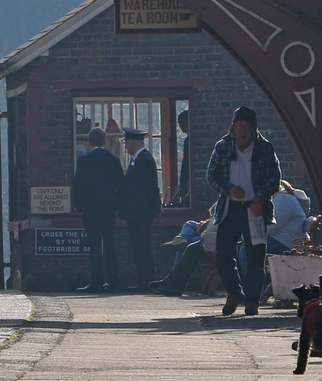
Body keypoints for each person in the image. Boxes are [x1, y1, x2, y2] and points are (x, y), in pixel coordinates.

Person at [205, 106, 282, 316]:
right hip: (230, 208)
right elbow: (212, 175)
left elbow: (274, 179)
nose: (243, 132)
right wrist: (228, 188)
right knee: (223, 255)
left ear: (254, 129)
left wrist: (260, 198)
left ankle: (252, 302)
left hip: (255, 210)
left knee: (255, 258)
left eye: (247, 127)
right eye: (239, 127)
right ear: (233, 128)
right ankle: (233, 292)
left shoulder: (264, 148)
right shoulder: (223, 147)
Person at [73, 126, 123, 292]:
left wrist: (79, 206)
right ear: (104, 141)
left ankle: (96, 282)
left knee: (94, 245)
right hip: (108, 209)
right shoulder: (113, 160)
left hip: (91, 209)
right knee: (110, 243)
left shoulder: (85, 161)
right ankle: (113, 281)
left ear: (89, 141)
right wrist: (116, 205)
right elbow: (120, 185)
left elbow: (78, 185)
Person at [119, 127, 161, 290]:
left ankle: (146, 281)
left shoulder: (144, 159)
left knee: (142, 246)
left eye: (126, 143)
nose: (125, 146)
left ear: (132, 142)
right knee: (139, 246)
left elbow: (149, 187)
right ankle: (143, 280)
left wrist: (155, 207)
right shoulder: (137, 159)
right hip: (136, 212)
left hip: (141, 212)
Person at [151, 201, 218, 297]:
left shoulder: (234, 202)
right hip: (210, 230)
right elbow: (214, 218)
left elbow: (223, 222)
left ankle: (172, 282)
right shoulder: (223, 201)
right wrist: (205, 223)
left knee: (190, 246)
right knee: (190, 224)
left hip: (216, 236)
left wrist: (207, 225)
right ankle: (182, 240)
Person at [267, 179, 312, 255]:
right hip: (285, 241)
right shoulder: (285, 198)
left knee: (250, 246)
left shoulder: (284, 199)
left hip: (287, 244)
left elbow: (271, 227)